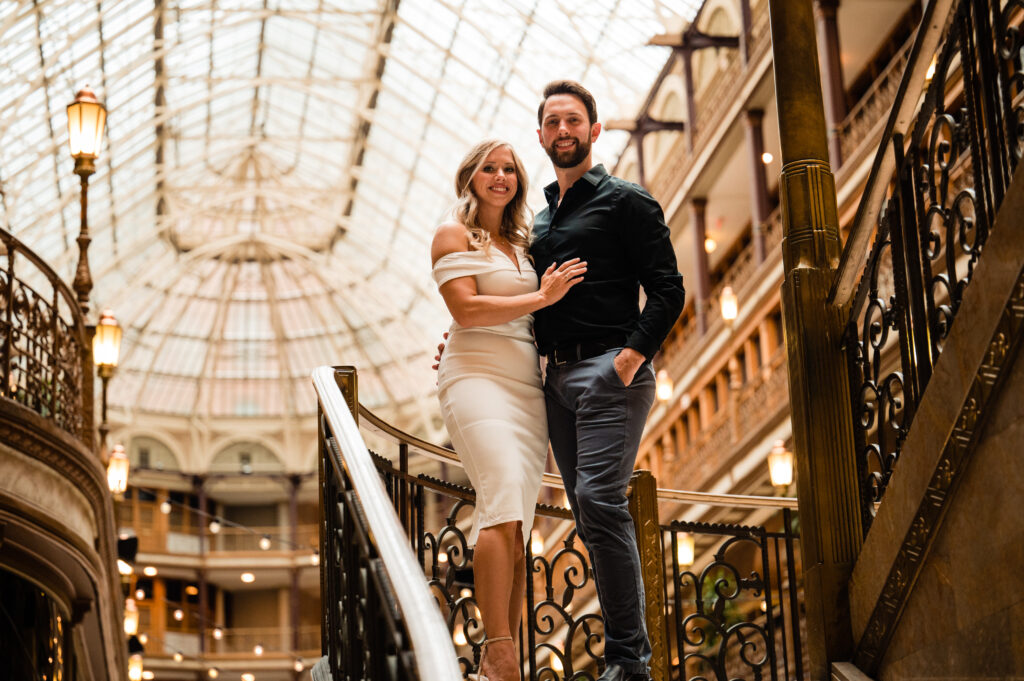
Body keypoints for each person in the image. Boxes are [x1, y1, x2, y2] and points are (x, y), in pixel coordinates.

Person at [530, 80, 684, 681]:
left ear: (595, 131)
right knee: (588, 512)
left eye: (573, 121)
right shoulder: (540, 221)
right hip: (556, 380)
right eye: (551, 122)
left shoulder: (627, 201)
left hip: (607, 371)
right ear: (540, 135)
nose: (562, 131)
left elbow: (669, 290)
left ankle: (629, 660)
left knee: (598, 501)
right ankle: (629, 651)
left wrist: (628, 360)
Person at [430, 138, 588, 681]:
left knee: (517, 524)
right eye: (489, 168)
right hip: (474, 378)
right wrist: (539, 298)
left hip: (526, 386)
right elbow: (467, 310)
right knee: (499, 502)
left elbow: (533, 318)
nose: (500, 177)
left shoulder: (525, 243)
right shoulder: (453, 234)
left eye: (510, 170)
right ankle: (498, 652)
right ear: (470, 176)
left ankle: (505, 655)